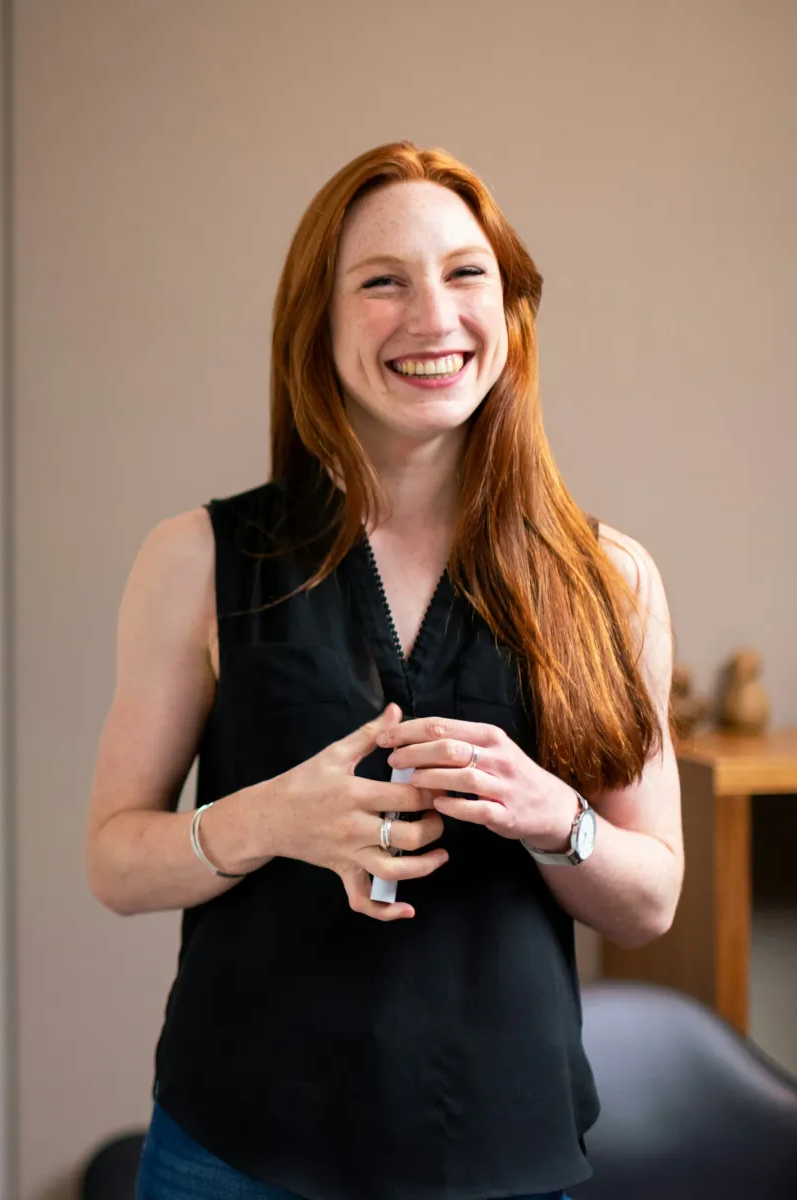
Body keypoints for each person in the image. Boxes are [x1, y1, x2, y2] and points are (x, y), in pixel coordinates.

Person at [84, 142, 683, 1200]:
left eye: (464, 274)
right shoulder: (195, 560)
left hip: (503, 1155)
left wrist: (554, 817)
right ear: (316, 321)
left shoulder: (611, 579)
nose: (431, 316)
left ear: (510, 310)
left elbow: (649, 900)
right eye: (381, 282)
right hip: (237, 1154)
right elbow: (115, 861)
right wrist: (269, 820)